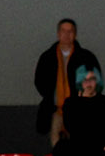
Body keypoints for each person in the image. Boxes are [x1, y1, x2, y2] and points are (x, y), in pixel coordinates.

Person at [34, 18, 96, 146]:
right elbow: (39, 81)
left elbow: (96, 82)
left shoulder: (86, 57)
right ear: (58, 34)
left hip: (79, 111)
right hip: (55, 110)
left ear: (75, 34)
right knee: (56, 147)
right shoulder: (47, 57)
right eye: (63, 31)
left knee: (79, 146)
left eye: (70, 31)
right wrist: (50, 95)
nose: (67, 35)